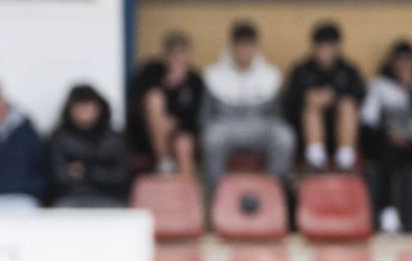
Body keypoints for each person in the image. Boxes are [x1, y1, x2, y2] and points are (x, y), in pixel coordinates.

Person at [200, 20, 292, 186]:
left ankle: (273, 190)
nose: (244, 51)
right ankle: (218, 194)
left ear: (256, 47)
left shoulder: (270, 75)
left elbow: (278, 115)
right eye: (240, 46)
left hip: (260, 127)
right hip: (226, 128)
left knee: (284, 137)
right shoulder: (213, 75)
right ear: (231, 47)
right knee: (211, 138)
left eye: (248, 46)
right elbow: (205, 117)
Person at [284, 21, 364, 171]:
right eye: (322, 47)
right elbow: (290, 101)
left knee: (347, 104)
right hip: (306, 133)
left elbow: (360, 97)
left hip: (340, 131)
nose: (326, 52)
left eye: (330, 47)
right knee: (311, 106)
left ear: (338, 47)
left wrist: (334, 98)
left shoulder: (349, 71)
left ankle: (345, 160)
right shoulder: (301, 71)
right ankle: (315, 159)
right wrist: (308, 98)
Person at [127, 31, 203, 175]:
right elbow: (137, 101)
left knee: (184, 144)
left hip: (181, 132)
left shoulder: (195, 80)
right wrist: (170, 84)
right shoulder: (150, 71)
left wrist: (176, 123)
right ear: (165, 55)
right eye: (174, 53)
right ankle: (164, 161)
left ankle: (185, 193)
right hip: (146, 132)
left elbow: (195, 116)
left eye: (182, 53)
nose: (178, 58)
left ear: (189, 55)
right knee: (155, 98)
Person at [48, 84, 130, 208]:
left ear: (99, 109)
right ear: (70, 110)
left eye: (88, 107)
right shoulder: (59, 138)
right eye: (79, 108)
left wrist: (87, 171)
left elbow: (121, 176)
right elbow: (58, 176)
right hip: (70, 198)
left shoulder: (114, 139)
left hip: (109, 198)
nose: (84, 113)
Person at [361, 40, 412, 233]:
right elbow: (368, 120)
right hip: (387, 143)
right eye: (400, 61)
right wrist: (387, 134)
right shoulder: (380, 86)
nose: (404, 66)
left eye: (409, 61)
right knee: (387, 155)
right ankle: (388, 212)